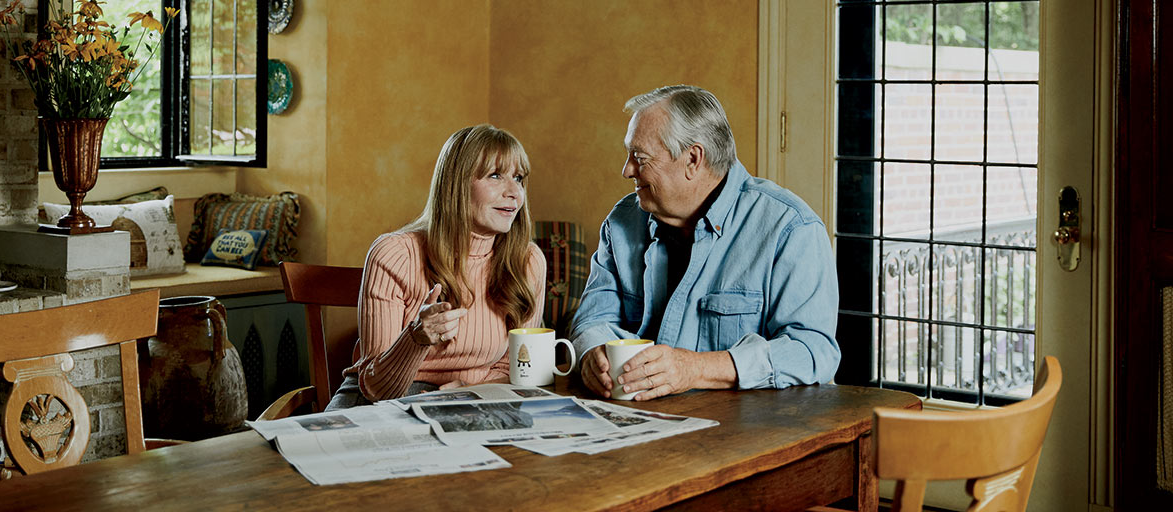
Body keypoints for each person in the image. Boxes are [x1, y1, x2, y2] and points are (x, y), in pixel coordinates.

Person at [570, 85, 840, 401]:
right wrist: (591, 352)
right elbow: (592, 319)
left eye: (639, 157)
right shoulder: (622, 223)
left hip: (744, 435)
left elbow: (813, 352)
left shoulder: (790, 227)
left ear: (693, 159)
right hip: (634, 422)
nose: (626, 169)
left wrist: (696, 368)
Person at [328, 124, 547, 407]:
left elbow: (516, 368)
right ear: (456, 184)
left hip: (477, 396)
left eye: (518, 178)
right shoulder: (395, 254)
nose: (514, 193)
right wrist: (416, 338)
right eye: (495, 175)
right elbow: (376, 388)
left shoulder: (528, 261)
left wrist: (470, 389)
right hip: (384, 400)